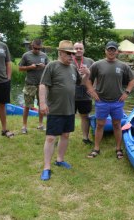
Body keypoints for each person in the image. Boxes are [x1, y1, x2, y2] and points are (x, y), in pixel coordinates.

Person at [39, 40, 89, 181]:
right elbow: (43, 85)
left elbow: (81, 83)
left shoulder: (73, 68)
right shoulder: (52, 66)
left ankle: (60, 160)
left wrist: (87, 74)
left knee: (65, 135)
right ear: (60, 53)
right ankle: (46, 167)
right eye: (68, 53)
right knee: (50, 137)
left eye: (72, 54)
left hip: (69, 108)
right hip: (55, 108)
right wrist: (42, 103)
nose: (71, 56)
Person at [86, 41, 134, 159]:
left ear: (117, 51)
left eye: (113, 50)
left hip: (117, 101)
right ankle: (96, 148)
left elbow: (133, 79)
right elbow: (88, 79)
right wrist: (92, 91)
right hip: (101, 100)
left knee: (117, 124)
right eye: (109, 49)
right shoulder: (97, 65)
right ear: (105, 51)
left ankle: (118, 149)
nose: (111, 52)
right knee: (100, 124)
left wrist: (127, 92)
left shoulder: (123, 66)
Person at [18, 39, 48, 134]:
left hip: (41, 85)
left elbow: (49, 67)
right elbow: (20, 68)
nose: (37, 50)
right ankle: (24, 126)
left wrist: (44, 66)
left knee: (41, 105)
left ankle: (40, 125)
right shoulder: (26, 55)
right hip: (30, 84)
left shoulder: (44, 56)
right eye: (35, 48)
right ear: (32, 46)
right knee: (27, 106)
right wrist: (30, 67)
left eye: (39, 48)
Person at [72, 42, 95, 144]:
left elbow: (97, 76)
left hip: (85, 93)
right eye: (76, 48)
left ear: (84, 50)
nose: (78, 50)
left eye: (80, 48)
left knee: (85, 116)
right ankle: (62, 137)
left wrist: (93, 88)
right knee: (67, 116)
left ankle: (85, 138)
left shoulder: (90, 61)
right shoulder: (69, 60)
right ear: (73, 50)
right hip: (70, 93)